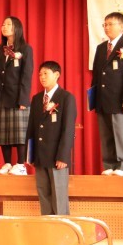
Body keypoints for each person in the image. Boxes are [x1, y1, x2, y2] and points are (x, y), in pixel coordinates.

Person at [91, 12, 123, 176]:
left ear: (122, 27)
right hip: (102, 99)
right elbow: (96, 75)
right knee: (106, 135)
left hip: (119, 99)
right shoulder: (101, 48)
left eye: (110, 24)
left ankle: (122, 166)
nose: (107, 27)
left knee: (120, 134)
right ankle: (109, 165)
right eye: (105, 24)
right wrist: (93, 98)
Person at [26, 61, 76, 215]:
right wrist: (30, 154)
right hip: (40, 157)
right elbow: (31, 128)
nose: (42, 77)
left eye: (45, 73)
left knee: (59, 197)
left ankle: (63, 228)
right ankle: (47, 226)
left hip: (57, 158)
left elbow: (68, 129)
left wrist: (63, 156)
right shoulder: (37, 99)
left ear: (56, 75)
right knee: (44, 195)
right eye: (40, 74)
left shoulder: (66, 97)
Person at [0, 16, 33, 176]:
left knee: (19, 133)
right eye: (3, 24)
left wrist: (23, 99)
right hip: (1, 96)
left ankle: (20, 164)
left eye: (8, 24)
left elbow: (26, 76)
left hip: (17, 97)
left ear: (17, 28)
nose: (4, 27)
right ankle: (7, 163)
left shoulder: (25, 49)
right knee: (4, 132)